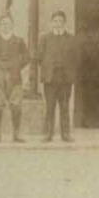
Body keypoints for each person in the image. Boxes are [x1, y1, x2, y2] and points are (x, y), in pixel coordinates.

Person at [35, 10, 81, 143]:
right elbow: (39, 56)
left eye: (60, 21)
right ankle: (48, 134)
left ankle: (65, 134)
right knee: (50, 107)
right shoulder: (45, 38)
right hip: (50, 78)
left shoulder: (71, 39)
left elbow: (77, 58)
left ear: (64, 23)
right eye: (55, 21)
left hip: (66, 78)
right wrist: (47, 67)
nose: (58, 24)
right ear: (51, 23)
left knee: (65, 106)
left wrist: (70, 71)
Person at [0, 14, 29, 143]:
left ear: (12, 26)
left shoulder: (19, 41)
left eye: (8, 24)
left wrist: (17, 66)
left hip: (14, 75)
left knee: (16, 105)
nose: (5, 26)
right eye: (3, 24)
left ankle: (16, 133)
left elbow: (26, 56)